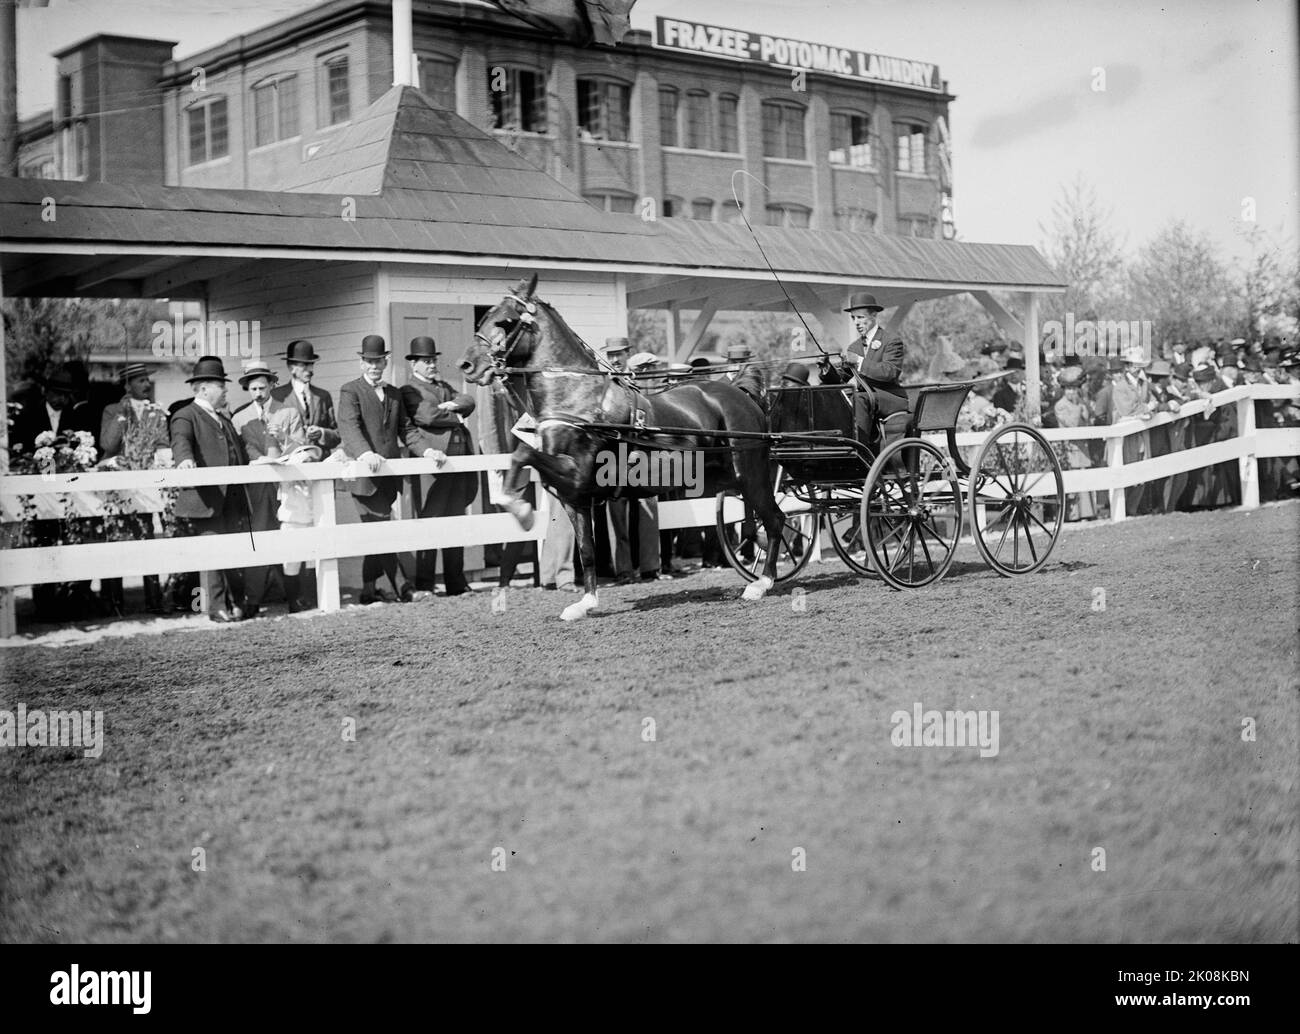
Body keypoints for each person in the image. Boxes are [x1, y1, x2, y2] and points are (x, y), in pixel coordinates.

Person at [169, 356, 254, 623]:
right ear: (204, 388)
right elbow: (181, 440)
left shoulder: (224, 419)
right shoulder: (186, 415)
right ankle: (216, 607)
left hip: (231, 499)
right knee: (214, 553)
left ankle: (235, 603)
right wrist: (184, 460)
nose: (226, 390)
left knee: (232, 552)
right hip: (206, 500)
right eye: (222, 386)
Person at [400, 335, 479, 597]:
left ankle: (456, 582)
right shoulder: (409, 390)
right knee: (430, 522)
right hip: (432, 467)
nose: (432, 365)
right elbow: (426, 415)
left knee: (455, 521)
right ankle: (424, 583)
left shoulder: (444, 386)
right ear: (415, 365)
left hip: (457, 464)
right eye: (426, 361)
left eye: (433, 360)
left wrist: (454, 405)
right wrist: (455, 414)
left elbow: (469, 401)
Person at [338, 335, 413, 604]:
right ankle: (403, 587)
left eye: (378, 360)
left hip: (387, 478)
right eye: (369, 361)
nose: (374, 366)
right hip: (362, 477)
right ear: (361, 363)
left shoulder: (393, 393)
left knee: (376, 530)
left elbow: (406, 428)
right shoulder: (350, 391)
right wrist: (365, 452)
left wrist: (426, 450)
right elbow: (349, 427)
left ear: (385, 361)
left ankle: (369, 590)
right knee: (381, 527)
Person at [98, 363, 169, 616]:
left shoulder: (156, 412)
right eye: (140, 381)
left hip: (146, 487)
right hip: (119, 486)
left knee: (147, 538)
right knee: (116, 540)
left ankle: (154, 601)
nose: (146, 384)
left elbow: (163, 445)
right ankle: (114, 603)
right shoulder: (112, 410)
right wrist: (123, 413)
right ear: (127, 385)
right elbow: (107, 444)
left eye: (147, 380)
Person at [231, 362, 289, 614]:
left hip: (285, 483)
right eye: (253, 388)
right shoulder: (240, 417)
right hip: (257, 488)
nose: (258, 393)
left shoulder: (287, 410)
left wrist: (285, 440)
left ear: (272, 385)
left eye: (262, 387)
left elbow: (297, 444)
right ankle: (253, 599)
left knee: (290, 535)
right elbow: (242, 450)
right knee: (259, 538)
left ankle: (294, 594)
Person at [818, 292, 907, 447]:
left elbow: (889, 372)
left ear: (873, 316)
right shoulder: (854, 347)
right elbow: (844, 378)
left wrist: (858, 361)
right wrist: (827, 370)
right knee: (826, 394)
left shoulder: (891, 341)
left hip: (890, 398)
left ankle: (859, 447)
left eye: (861, 317)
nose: (856, 322)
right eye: (853, 318)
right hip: (866, 398)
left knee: (858, 399)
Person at [270, 339, 341, 452]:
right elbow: (270, 436)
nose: (310, 370)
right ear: (291, 367)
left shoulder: (323, 396)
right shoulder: (277, 396)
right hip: (289, 464)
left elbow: (337, 436)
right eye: (304, 365)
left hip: (320, 463)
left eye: (311, 364)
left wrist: (322, 433)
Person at [1052, 366, 1096, 520]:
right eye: (1068, 389)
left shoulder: (1082, 402)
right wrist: (1079, 408)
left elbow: (1089, 422)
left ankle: (1088, 513)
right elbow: (1072, 424)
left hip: (1083, 447)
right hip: (1070, 448)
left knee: (1085, 478)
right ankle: (1073, 515)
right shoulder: (1060, 405)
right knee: (1073, 479)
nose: (1071, 392)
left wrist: (1085, 409)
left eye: (1074, 389)